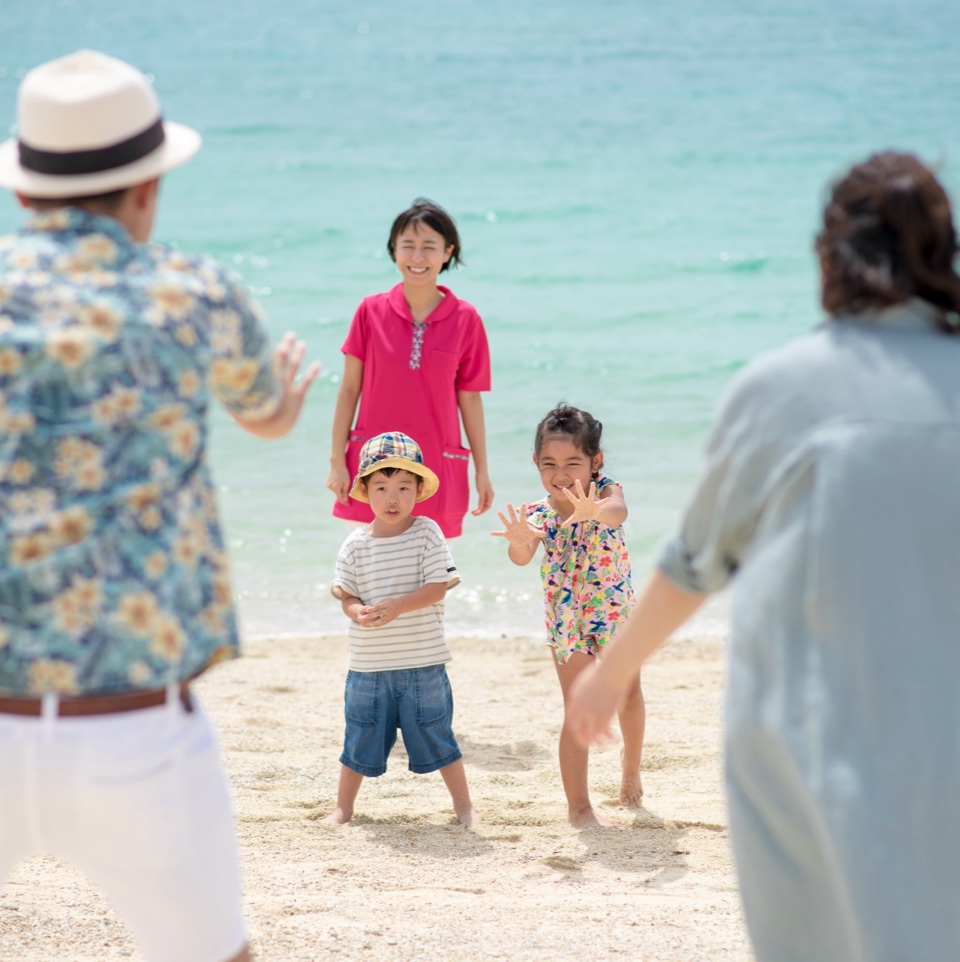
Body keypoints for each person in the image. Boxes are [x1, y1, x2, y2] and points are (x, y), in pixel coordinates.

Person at [567, 152, 960, 960]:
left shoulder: (783, 387)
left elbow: (693, 563)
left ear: (832, 255)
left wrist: (607, 676)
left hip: (804, 746)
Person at [0, 50, 320, 962]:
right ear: (147, 188)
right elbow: (261, 412)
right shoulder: (195, 293)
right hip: (133, 725)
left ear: (26, 194)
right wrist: (287, 406)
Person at [491, 404, 643, 827]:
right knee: (577, 707)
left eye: (573, 463)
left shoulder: (607, 492)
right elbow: (521, 558)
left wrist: (593, 510)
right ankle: (580, 809)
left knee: (627, 695)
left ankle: (630, 770)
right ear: (536, 463)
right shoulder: (538, 512)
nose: (561, 474)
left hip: (613, 611)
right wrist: (519, 540)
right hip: (567, 620)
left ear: (595, 462)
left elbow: (618, 513)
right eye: (549, 464)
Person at [324, 431, 477, 826]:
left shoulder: (426, 532)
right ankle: (343, 808)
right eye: (382, 487)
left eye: (403, 487)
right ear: (366, 491)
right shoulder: (355, 544)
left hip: (422, 662)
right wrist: (357, 612)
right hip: (368, 665)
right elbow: (347, 595)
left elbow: (437, 588)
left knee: (437, 733)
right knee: (359, 735)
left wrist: (397, 607)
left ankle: (464, 808)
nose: (392, 498)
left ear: (418, 490)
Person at [326, 198, 493, 538]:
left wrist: (482, 470)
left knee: (428, 581)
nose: (418, 257)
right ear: (394, 250)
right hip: (370, 466)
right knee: (364, 577)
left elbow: (470, 400)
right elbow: (348, 389)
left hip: (435, 465)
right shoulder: (369, 311)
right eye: (408, 246)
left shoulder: (466, 319)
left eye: (429, 247)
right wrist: (337, 461)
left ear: (448, 251)